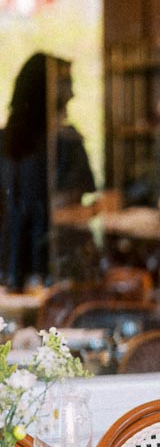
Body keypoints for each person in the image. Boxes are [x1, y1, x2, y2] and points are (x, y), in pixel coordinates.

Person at [0, 53, 96, 290]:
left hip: (16, 267)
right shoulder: (66, 144)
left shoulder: (6, 142)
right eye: (66, 84)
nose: (72, 94)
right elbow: (72, 208)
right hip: (53, 268)